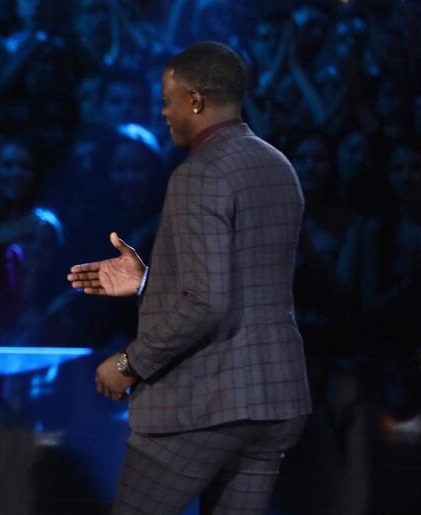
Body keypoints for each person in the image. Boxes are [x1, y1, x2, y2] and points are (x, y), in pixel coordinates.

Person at [67, 42, 311, 515]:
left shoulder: (198, 174)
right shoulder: (278, 165)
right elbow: (240, 282)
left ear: (195, 101)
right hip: (273, 400)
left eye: (168, 100)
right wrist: (148, 283)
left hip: (204, 404)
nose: (163, 113)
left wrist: (128, 364)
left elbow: (206, 302)